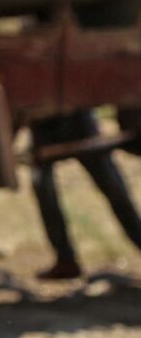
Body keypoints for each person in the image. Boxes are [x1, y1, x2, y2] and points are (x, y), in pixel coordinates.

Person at [28, 110, 141, 279]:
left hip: (77, 116)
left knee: (112, 185)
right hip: (42, 122)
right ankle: (65, 260)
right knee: (42, 185)